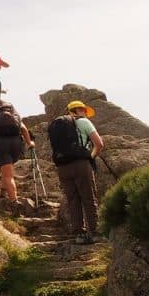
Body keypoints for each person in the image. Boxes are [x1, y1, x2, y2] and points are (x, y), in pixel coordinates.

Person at [50, 100, 105, 244]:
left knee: (73, 200)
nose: (86, 114)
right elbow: (99, 144)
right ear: (80, 110)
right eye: (84, 111)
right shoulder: (84, 122)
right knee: (88, 197)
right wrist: (89, 157)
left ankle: (79, 234)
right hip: (81, 164)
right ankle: (94, 232)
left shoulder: (59, 125)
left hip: (62, 166)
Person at [0, 99, 34, 203]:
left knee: (8, 175)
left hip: (1, 144)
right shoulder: (14, 114)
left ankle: (14, 202)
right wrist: (29, 143)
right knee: (7, 169)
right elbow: (24, 129)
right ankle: (3, 191)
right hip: (17, 143)